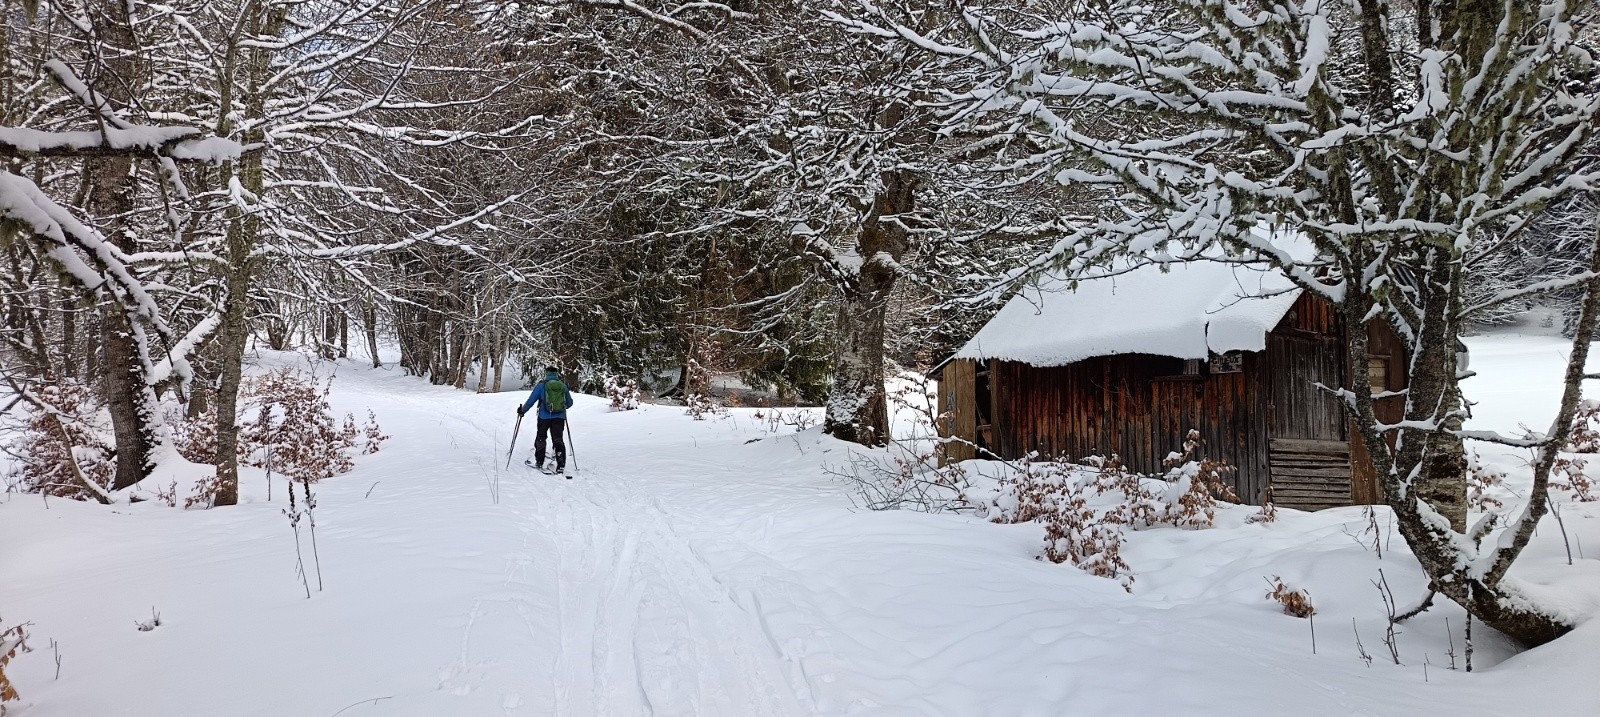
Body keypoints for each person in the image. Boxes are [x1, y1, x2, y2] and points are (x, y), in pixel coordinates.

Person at [518, 366, 573, 474]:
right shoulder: (563, 386)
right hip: (559, 417)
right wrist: (561, 407)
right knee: (558, 439)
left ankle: (539, 462)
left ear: (546, 373)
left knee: (541, 437)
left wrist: (522, 410)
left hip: (544, 416)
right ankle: (561, 464)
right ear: (557, 374)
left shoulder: (542, 385)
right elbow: (570, 403)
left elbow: (531, 400)